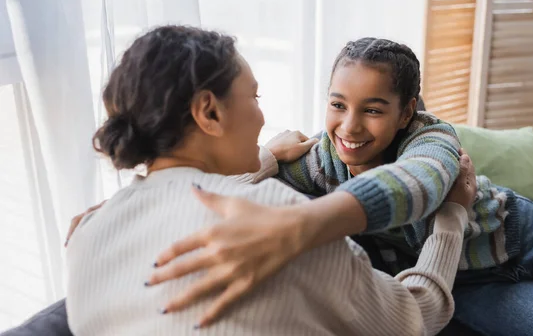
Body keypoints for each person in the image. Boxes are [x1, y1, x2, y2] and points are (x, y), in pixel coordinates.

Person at [142, 37, 533, 335]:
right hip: (475, 284)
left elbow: (417, 184)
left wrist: (308, 220)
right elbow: (213, 187)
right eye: (338, 104)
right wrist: (266, 157)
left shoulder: (431, 139)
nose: (350, 127)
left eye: (374, 110)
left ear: (407, 113)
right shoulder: (318, 161)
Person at [65, 26, 476, 336]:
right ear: (209, 113)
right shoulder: (275, 221)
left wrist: (267, 157)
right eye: (254, 98)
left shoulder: (86, 234)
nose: (262, 118)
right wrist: (454, 215)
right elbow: (416, 315)